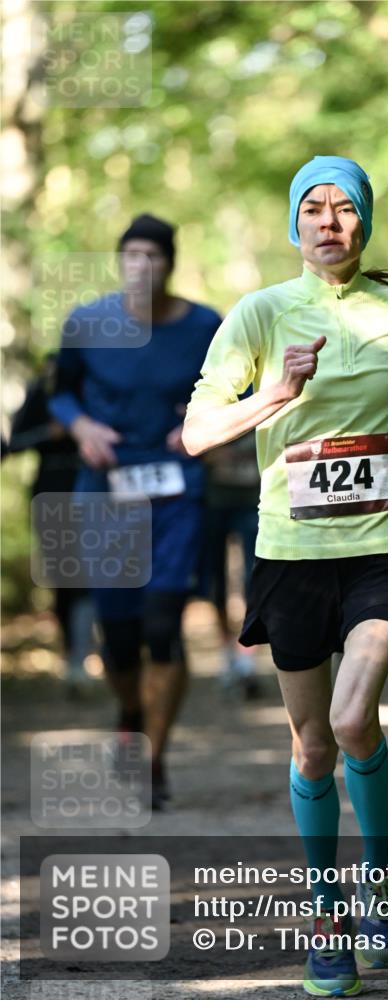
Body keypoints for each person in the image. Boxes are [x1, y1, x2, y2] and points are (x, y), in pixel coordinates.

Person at [183, 156, 388, 996]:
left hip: (383, 546)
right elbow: (198, 433)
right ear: (294, 224)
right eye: (314, 208)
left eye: (345, 208)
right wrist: (276, 393)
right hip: (290, 556)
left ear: (364, 222)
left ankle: (378, 886)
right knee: (310, 747)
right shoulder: (261, 314)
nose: (330, 221)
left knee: (349, 722)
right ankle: (327, 908)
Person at [49, 214, 222, 809]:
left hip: (178, 493)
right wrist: (81, 425)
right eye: (130, 255)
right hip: (106, 492)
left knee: (164, 626)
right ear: (119, 263)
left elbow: (239, 391)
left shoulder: (206, 326)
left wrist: (198, 425)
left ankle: (153, 759)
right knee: (119, 638)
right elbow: (60, 389)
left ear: (170, 263)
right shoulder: (88, 323)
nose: (140, 266)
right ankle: (128, 708)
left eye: (152, 255)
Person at [8, 352, 96, 694]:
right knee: (65, 578)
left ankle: (91, 655)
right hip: (51, 495)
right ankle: (73, 660)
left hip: (96, 493)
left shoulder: (98, 388)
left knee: (95, 575)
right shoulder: (42, 389)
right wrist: (52, 433)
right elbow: (14, 442)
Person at [200, 427, 262, 699]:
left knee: (255, 580)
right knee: (216, 583)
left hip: (255, 499)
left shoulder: (269, 384)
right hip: (212, 501)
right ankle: (228, 656)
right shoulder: (204, 388)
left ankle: (247, 661)